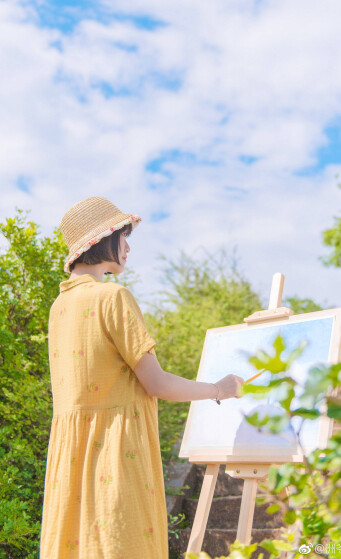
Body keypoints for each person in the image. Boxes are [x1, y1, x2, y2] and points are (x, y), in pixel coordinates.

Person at [40, 196, 243, 559]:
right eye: (123, 236)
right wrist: (219, 389)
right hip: (116, 456)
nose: (128, 247)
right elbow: (158, 384)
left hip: (69, 463)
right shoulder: (113, 297)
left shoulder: (59, 307)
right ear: (103, 240)